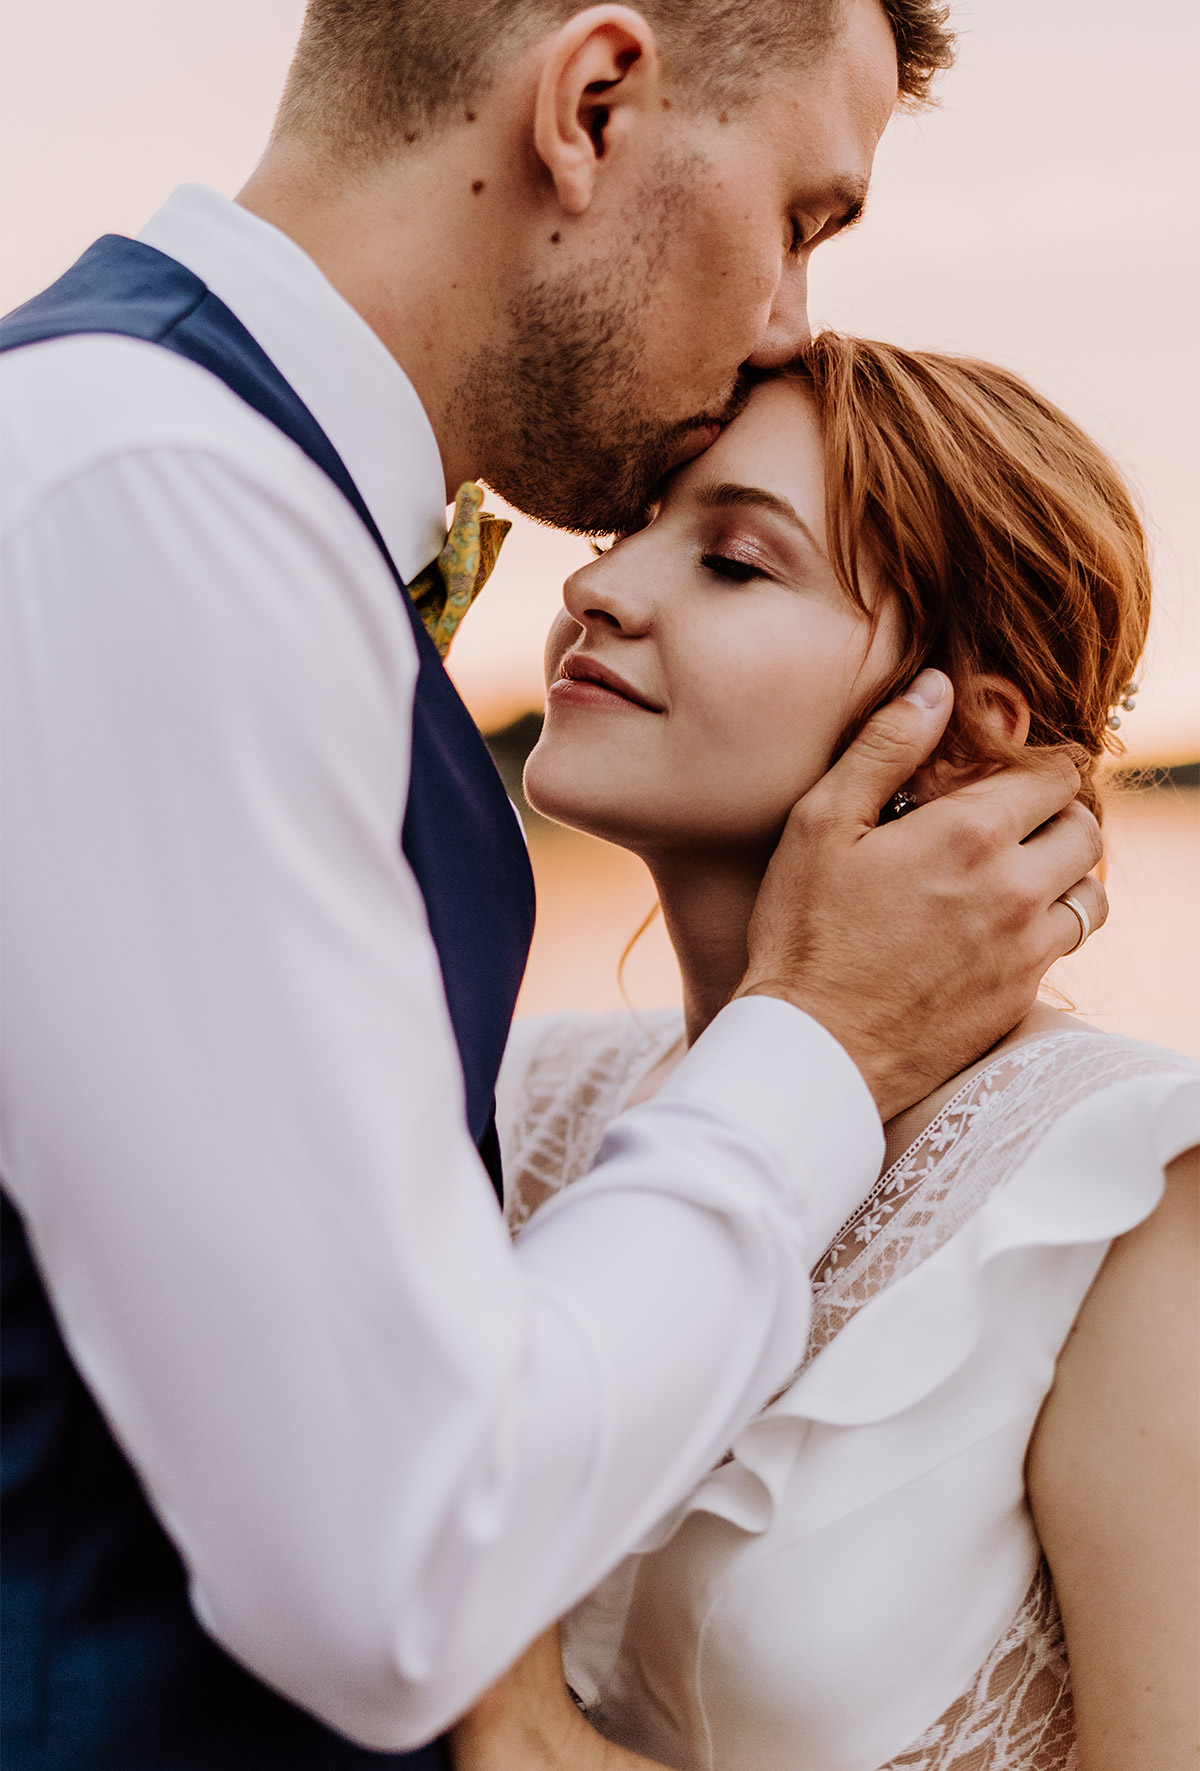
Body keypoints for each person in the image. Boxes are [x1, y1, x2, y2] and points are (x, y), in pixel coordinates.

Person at [0, 2, 1107, 1765]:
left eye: (738, 560)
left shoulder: (212, 514)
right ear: (590, 104)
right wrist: (818, 1048)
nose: (786, 319)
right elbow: (397, 1558)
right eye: (804, 220)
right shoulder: (157, 500)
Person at [449, 341, 1200, 1771]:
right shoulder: (521, 1096)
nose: (594, 589)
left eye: (733, 561)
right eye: (624, 533)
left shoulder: (1127, 1186)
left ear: (955, 722)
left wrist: (528, 1733)